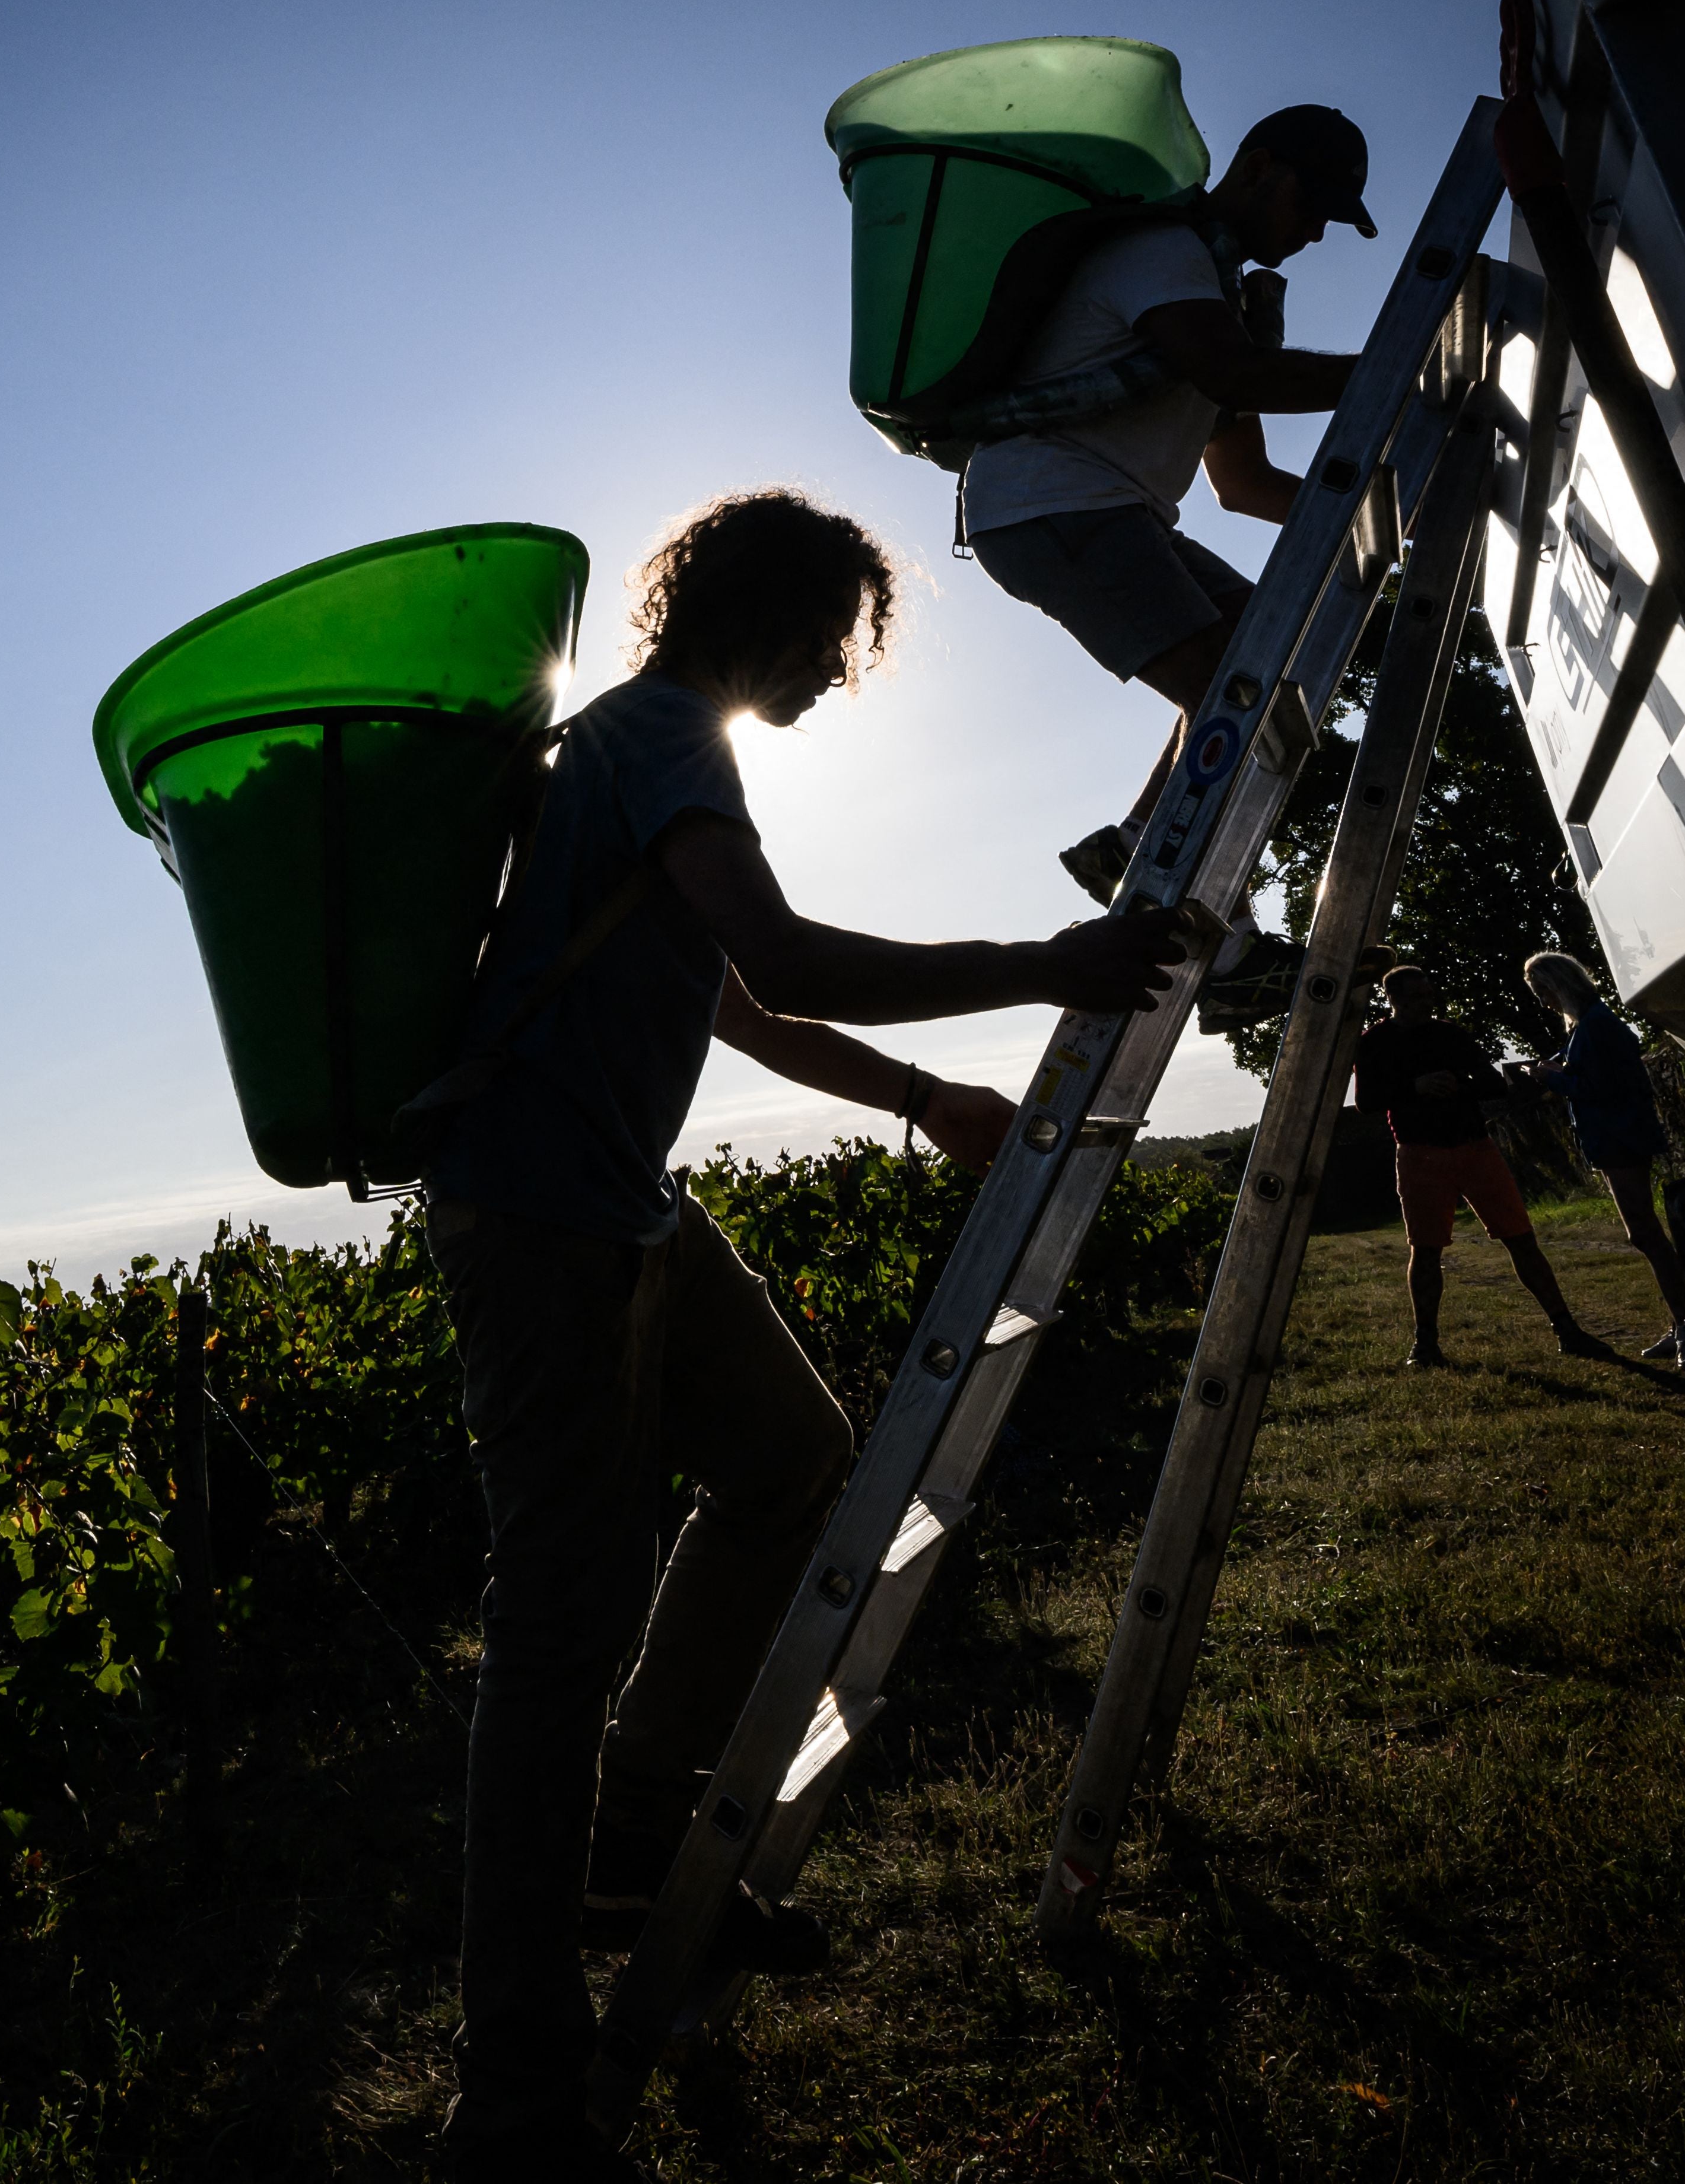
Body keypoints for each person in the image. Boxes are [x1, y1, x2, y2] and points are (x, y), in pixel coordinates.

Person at [421, 489, 1182, 2181]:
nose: (841, 676)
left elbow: (740, 1003)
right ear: (764, 615)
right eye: (834, 639)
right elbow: (777, 947)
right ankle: (514, 2080)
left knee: (789, 1458)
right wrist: (1046, 961)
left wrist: (920, 1097)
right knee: (553, 1620)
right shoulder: (670, 738)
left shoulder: (640, 752)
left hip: (619, 1205)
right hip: (535, 1218)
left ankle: (630, 1831)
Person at [958, 103, 1384, 1031]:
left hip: (1103, 508)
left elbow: (1243, 482)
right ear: (1263, 168)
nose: (1315, 234)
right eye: (1316, 207)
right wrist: (1394, 367)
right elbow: (1241, 378)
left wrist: (1388, 514)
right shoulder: (1166, 256)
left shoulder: (1217, 302)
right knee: (1228, 683)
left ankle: (1135, 845)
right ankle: (1224, 955)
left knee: (1258, 660)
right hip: (1051, 500)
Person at [1350, 962, 1612, 1367]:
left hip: (1475, 1146)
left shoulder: (1450, 1034)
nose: (1426, 1002)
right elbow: (1366, 1102)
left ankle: (1566, 1329)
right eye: (1416, 997)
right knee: (1425, 1250)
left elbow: (1492, 1083)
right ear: (1394, 1000)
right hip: (1419, 1153)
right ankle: (1425, 1346)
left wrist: (1461, 1084)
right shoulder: (1373, 1043)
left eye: (1428, 994)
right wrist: (1413, 1088)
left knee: (1521, 1238)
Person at [1521, 949, 1685, 1372]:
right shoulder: (1588, 1026)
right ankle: (1683, 1322)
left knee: (1645, 1233)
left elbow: (1601, 1087)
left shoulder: (1595, 1026)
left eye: (1541, 991)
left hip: (1620, 1137)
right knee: (1643, 1233)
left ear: (1559, 985)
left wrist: (1549, 1077)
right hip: (1614, 1138)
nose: (1541, 1001)